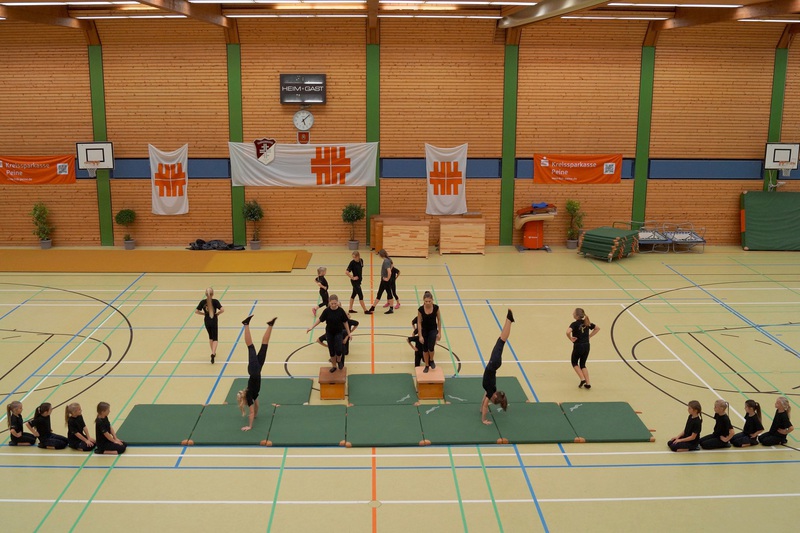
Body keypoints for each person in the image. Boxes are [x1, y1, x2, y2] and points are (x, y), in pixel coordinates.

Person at [236, 315, 277, 432]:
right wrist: (256, 414)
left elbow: (252, 412)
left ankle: (246, 324)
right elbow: (257, 406)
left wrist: (250, 426)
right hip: (257, 370)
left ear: (244, 400)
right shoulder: (253, 396)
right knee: (264, 345)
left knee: (251, 347)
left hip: (254, 370)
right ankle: (270, 325)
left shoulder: (249, 397)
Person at [480, 309, 514, 425]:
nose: (488, 400)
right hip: (494, 363)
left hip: (494, 364)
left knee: (501, 340)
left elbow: (484, 402)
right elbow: (485, 404)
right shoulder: (490, 391)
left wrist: (481, 410)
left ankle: (509, 320)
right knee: (501, 340)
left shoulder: (490, 391)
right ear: (494, 396)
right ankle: (509, 320)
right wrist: (483, 419)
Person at [307, 295, 351, 373]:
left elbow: (345, 322)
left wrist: (349, 333)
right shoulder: (327, 311)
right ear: (329, 303)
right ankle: (334, 366)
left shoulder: (341, 311)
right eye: (332, 303)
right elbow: (320, 320)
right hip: (329, 333)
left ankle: (339, 360)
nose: (333, 305)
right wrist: (312, 327)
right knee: (332, 351)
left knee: (339, 350)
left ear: (337, 302)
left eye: (335, 303)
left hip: (338, 332)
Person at [566, 308, 599, 389]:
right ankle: (588, 383)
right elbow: (597, 328)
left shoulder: (574, 324)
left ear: (577, 316)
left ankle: (582, 379)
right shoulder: (587, 323)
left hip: (578, 346)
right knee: (583, 364)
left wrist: (571, 338)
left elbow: (567, 332)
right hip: (587, 346)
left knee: (574, 362)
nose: (572, 314)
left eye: (573, 313)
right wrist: (589, 336)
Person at [195, 287, 224, 364]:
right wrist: (217, 313)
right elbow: (222, 310)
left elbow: (196, 311)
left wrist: (204, 314)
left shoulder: (202, 302)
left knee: (210, 337)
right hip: (213, 320)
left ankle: (213, 352)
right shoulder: (215, 301)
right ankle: (213, 353)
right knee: (215, 338)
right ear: (213, 294)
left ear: (205, 294)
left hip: (207, 320)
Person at [417, 291, 442, 373]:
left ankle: (431, 360)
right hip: (424, 330)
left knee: (431, 347)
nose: (428, 303)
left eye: (429, 301)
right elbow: (419, 322)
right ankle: (426, 365)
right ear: (423, 301)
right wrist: (420, 336)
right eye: (426, 301)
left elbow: (439, 320)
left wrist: (439, 333)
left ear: (432, 300)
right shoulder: (420, 309)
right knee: (425, 349)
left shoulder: (436, 308)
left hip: (433, 330)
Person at [365, 249, 395, 315]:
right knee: (380, 293)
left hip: (385, 280)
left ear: (381, 255)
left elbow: (389, 272)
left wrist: (387, 278)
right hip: (384, 280)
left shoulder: (386, 262)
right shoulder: (388, 259)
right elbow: (392, 265)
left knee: (388, 293)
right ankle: (373, 307)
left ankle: (391, 308)